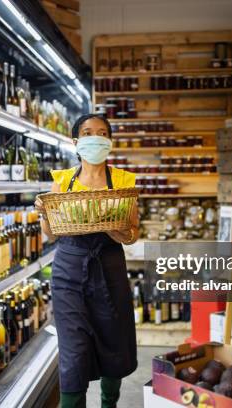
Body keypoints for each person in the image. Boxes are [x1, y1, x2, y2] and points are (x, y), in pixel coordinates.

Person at [35, 114, 139, 408]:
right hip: (69, 272)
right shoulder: (62, 181)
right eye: (88, 132)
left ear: (109, 142)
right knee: (74, 352)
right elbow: (51, 235)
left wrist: (110, 224)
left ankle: (109, 403)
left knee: (114, 342)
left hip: (109, 269)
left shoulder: (122, 181)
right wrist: (44, 212)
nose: (95, 137)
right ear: (76, 141)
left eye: (102, 132)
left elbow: (132, 234)